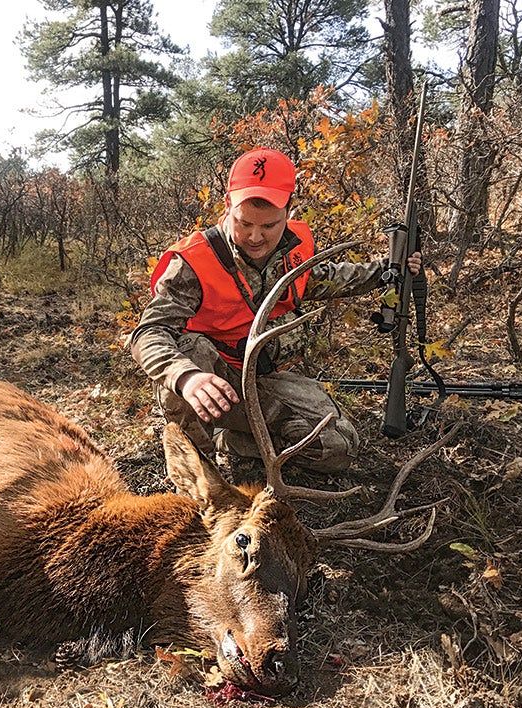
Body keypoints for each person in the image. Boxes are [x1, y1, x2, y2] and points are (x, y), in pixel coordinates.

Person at [130, 147, 421, 473]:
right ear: (228, 205)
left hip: (265, 381)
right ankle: (198, 468)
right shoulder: (193, 263)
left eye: (269, 225)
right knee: (188, 347)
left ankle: (235, 441)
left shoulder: (293, 251)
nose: (255, 237)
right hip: (211, 385)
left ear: (288, 211)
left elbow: (328, 279)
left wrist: (388, 270)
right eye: (244, 223)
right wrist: (187, 377)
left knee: (339, 446)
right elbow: (148, 334)